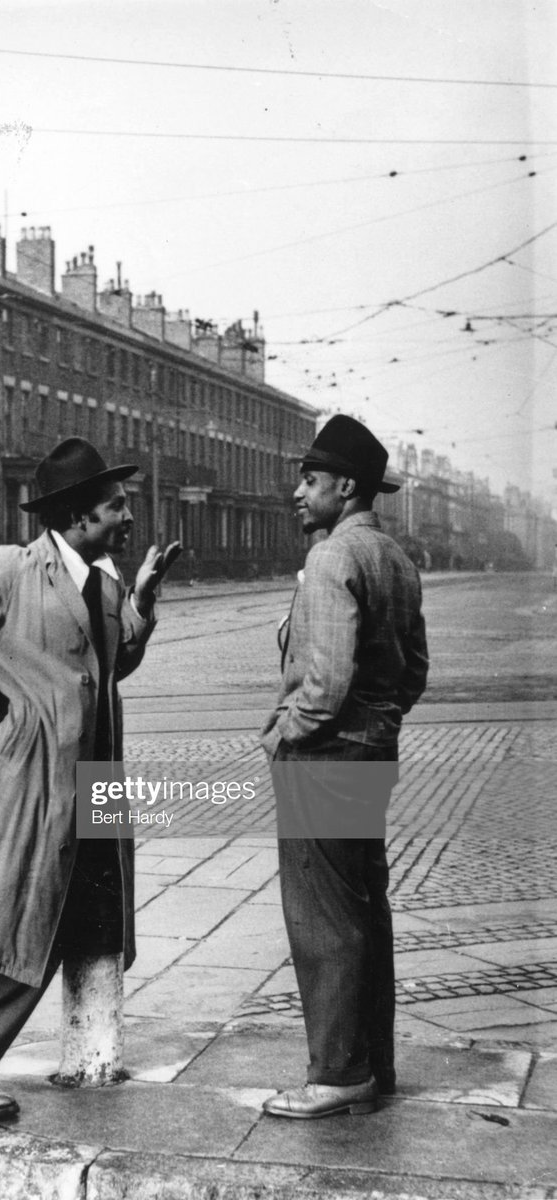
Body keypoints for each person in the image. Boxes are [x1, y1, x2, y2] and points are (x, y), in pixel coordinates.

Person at [0, 437, 180, 1132]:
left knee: (37, 922)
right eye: (116, 505)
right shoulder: (10, 570)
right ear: (80, 517)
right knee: (13, 924)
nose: (127, 516)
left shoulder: (105, 582)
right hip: (24, 781)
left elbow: (106, 668)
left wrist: (140, 604)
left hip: (89, 784)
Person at [260, 414, 428, 1120]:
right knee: (364, 908)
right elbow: (414, 672)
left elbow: (323, 688)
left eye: (310, 480)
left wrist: (282, 734)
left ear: (346, 486)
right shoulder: (394, 558)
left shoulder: (333, 559)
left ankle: (336, 1074)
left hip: (323, 760)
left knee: (322, 917)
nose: (299, 492)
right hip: (371, 755)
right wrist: (378, 722)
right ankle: (372, 1064)